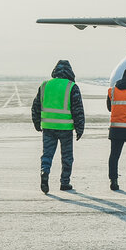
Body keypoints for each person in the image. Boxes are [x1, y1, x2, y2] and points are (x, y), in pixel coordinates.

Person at [31, 60, 85, 193]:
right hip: (65, 129)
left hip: (48, 127)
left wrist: (37, 122)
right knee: (67, 157)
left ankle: (44, 172)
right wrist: (79, 128)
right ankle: (64, 182)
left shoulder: (45, 85)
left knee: (47, 154)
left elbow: (36, 106)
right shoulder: (71, 86)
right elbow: (78, 110)